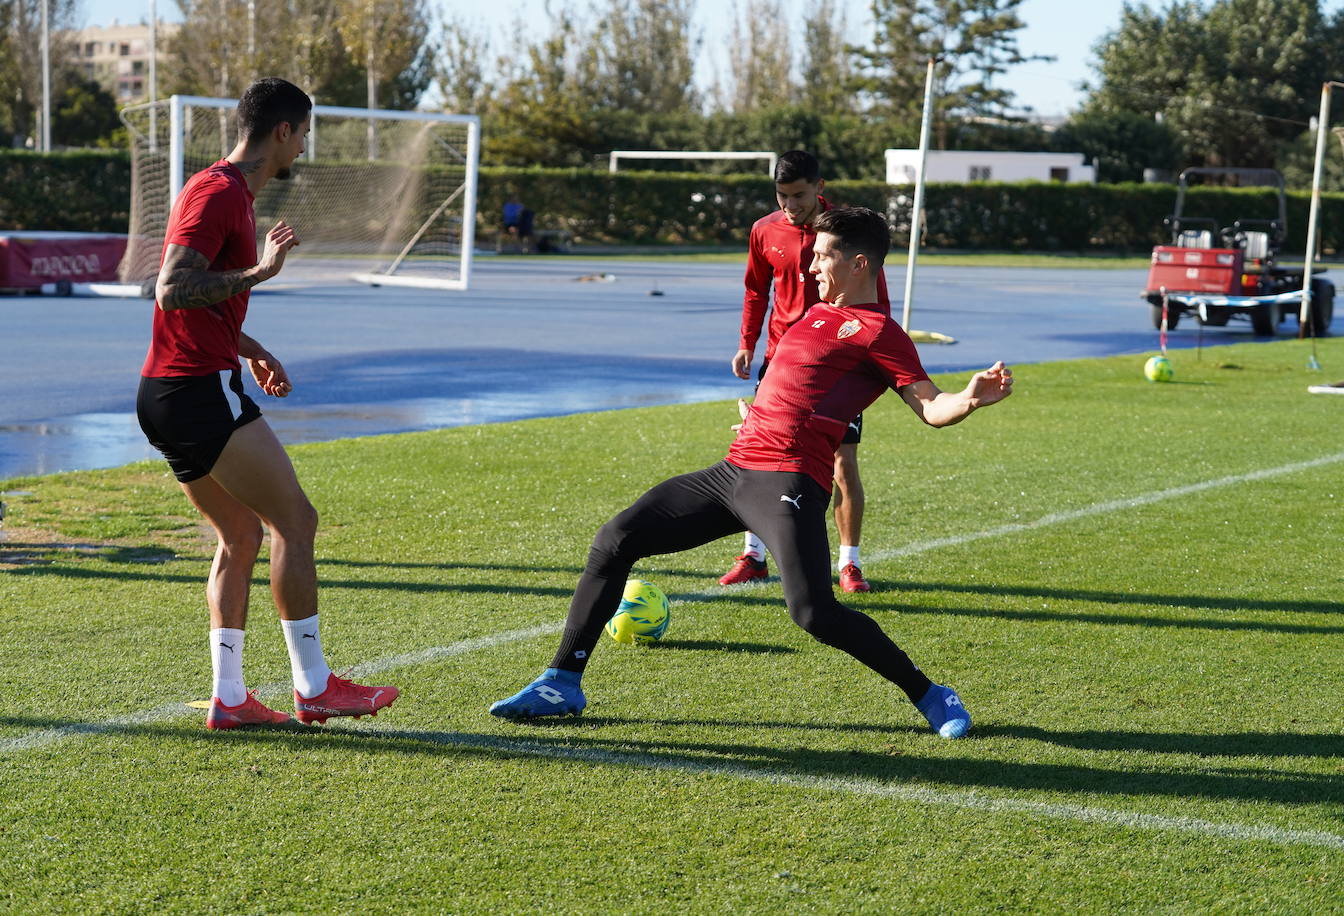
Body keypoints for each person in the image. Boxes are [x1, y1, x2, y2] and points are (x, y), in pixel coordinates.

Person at [490, 207, 1013, 738]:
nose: (810, 267)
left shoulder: (881, 332)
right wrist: (759, 410)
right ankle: (562, 681)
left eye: (821, 257)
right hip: (733, 470)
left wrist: (969, 399)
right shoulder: (812, 315)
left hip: (787, 482)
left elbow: (930, 407)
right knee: (615, 539)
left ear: (859, 263)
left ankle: (931, 694)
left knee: (813, 612)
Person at [135, 77, 399, 730]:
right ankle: (314, 686)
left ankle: (229, 700)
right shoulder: (220, 191)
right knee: (296, 523)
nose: (304, 145)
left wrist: (247, 345)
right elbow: (169, 290)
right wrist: (261, 273)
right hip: (195, 390)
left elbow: (192, 296)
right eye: (304, 132)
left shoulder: (222, 190)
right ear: (284, 130)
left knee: (242, 534)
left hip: (170, 390)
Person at [722, 150, 891, 594]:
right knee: (756, 452)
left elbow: (875, 297)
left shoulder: (846, 233)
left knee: (841, 462)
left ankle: (849, 564)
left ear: (820, 187)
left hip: (835, 365)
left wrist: (869, 361)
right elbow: (756, 290)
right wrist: (746, 342)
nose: (790, 205)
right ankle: (753, 556)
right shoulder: (764, 230)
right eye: (782, 196)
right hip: (779, 362)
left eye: (799, 195)